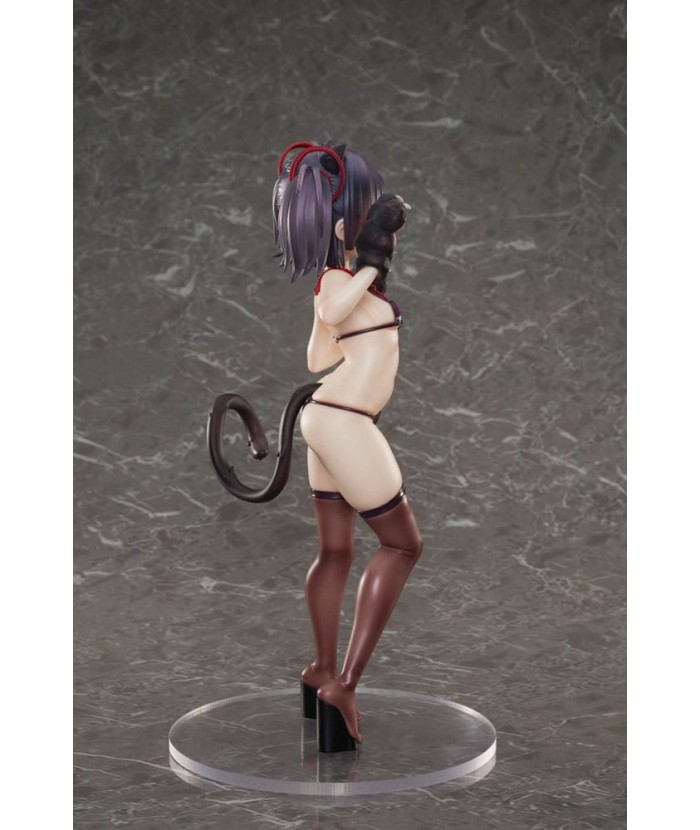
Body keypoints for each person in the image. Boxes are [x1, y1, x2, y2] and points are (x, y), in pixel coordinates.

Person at [271, 142, 424, 749]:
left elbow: (317, 356)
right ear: (345, 226)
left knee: (336, 550)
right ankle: (345, 686)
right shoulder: (342, 278)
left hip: (325, 415)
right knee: (402, 544)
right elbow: (336, 306)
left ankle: (319, 671)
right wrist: (370, 267)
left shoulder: (337, 283)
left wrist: (357, 300)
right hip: (344, 420)